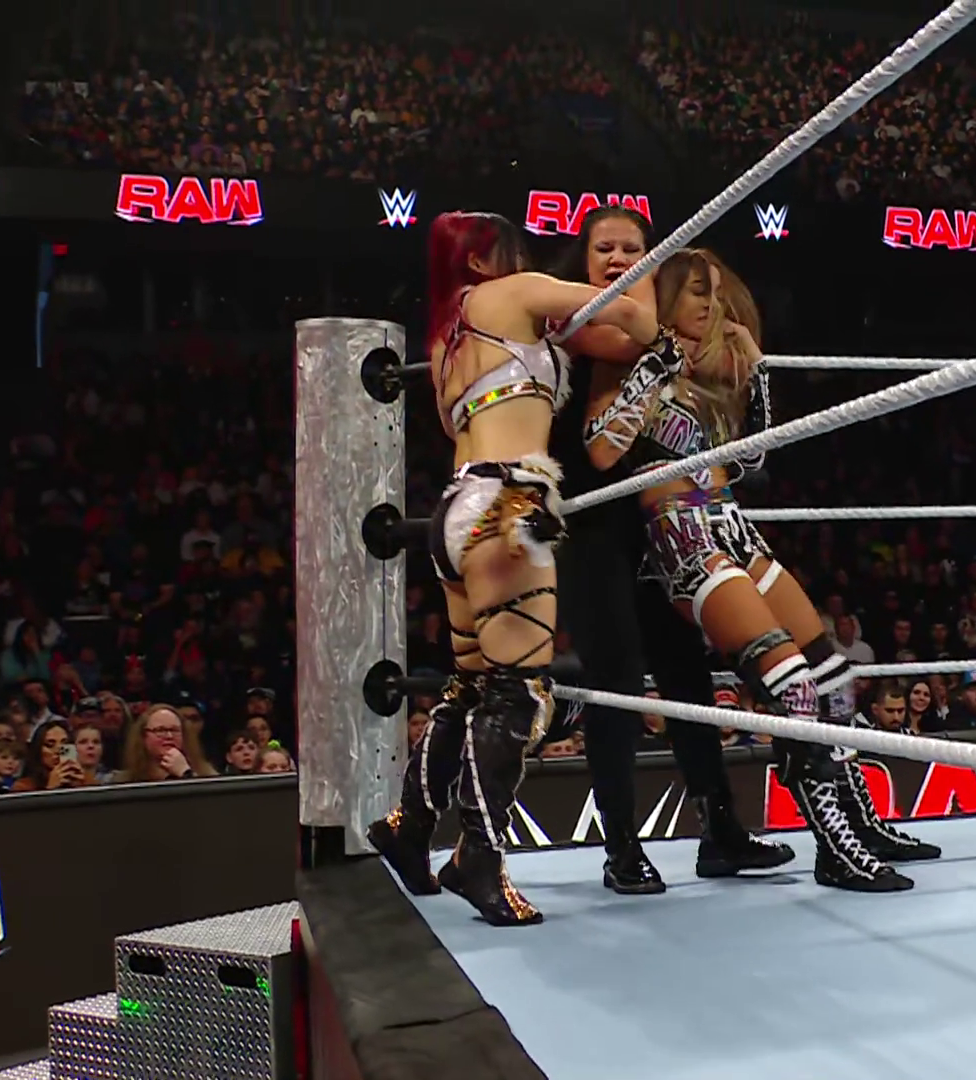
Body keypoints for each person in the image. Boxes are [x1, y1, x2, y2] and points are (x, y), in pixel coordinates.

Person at [583, 248, 937, 892]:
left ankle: (862, 823)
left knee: (834, 680)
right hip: (681, 537)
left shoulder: (711, 374)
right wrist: (656, 366)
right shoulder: (625, 357)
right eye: (697, 291)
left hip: (733, 526)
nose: (710, 304)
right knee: (792, 688)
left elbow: (751, 460)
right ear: (668, 296)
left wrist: (756, 370)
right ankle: (833, 847)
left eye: (716, 292)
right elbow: (600, 449)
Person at [365, 210, 667, 927]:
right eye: (510, 247)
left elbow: (596, 338)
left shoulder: (446, 339)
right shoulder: (515, 292)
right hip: (510, 504)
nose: (525, 255)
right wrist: (646, 269)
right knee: (520, 695)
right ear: (479, 259)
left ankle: (409, 825)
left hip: (454, 512)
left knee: (472, 686)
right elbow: (634, 319)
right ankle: (479, 856)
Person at [551, 206, 793, 893]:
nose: (617, 257)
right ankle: (621, 847)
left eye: (631, 247)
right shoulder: (575, 320)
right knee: (618, 681)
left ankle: (721, 831)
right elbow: (599, 450)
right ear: (585, 258)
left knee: (687, 672)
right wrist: (665, 349)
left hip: (662, 526)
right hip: (593, 526)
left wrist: (743, 357)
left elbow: (744, 450)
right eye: (604, 247)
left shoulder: (658, 334)